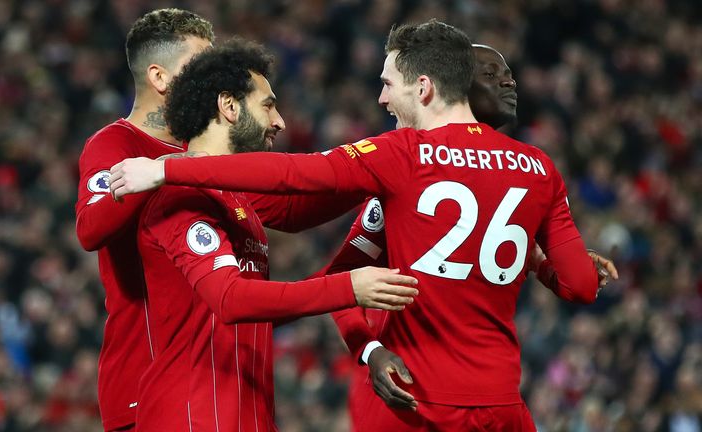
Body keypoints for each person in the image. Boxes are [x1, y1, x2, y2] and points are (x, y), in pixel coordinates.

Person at [109, 20, 603, 430]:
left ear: (425, 86)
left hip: (414, 404)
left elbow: (295, 177)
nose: (382, 100)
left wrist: (167, 166)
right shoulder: (541, 169)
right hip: (498, 402)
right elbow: (580, 284)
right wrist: (367, 341)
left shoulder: (400, 159)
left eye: (387, 84)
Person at [322, 43, 618, 430]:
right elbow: (339, 282)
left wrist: (543, 265)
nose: (509, 81)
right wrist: (371, 350)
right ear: (456, 87)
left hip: (473, 401)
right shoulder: (411, 173)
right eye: (492, 74)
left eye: (509, 72)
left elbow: (564, 279)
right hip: (419, 399)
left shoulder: (522, 171)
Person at [132, 39, 418, 432]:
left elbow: (305, 205)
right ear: (229, 107)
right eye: (268, 105)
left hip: (246, 413)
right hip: (193, 416)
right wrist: (347, 287)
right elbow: (231, 300)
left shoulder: (237, 197)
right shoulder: (181, 196)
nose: (280, 120)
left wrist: (392, 167)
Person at [74, 9, 213, 431]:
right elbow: (90, 228)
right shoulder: (114, 144)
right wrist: (163, 170)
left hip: (208, 380)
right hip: (143, 379)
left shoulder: (204, 147)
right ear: (159, 77)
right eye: (200, 66)